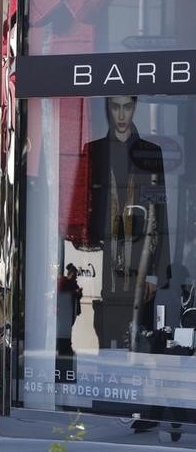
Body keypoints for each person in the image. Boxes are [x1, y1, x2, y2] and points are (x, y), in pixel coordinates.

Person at [84, 96, 170, 350]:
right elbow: (81, 213)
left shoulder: (150, 153)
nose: (121, 115)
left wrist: (155, 274)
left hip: (138, 269)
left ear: (135, 107)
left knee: (136, 347)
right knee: (102, 346)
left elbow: (160, 214)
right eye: (115, 106)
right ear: (107, 109)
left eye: (127, 107)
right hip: (100, 269)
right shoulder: (94, 152)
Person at [55, 263, 83, 381]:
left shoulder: (72, 283)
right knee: (64, 331)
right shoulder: (63, 282)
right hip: (63, 313)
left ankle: (66, 346)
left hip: (70, 312)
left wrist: (78, 293)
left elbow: (77, 295)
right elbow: (61, 295)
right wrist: (75, 292)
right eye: (75, 275)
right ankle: (64, 348)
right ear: (70, 274)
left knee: (67, 330)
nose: (76, 277)